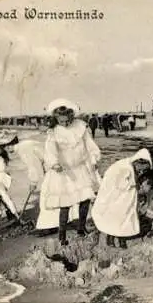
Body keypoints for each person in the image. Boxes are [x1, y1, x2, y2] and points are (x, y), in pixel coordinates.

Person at [40, 98, 102, 246]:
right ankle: (62, 236)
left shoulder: (81, 127)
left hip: (80, 168)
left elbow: (90, 145)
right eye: (62, 122)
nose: (66, 124)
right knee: (65, 204)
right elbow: (50, 151)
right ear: (56, 119)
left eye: (68, 121)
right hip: (64, 172)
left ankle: (81, 228)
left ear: (71, 117)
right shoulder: (53, 132)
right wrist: (54, 163)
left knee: (85, 198)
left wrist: (93, 159)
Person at [91, 149, 153, 249]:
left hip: (127, 198)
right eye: (141, 168)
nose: (141, 171)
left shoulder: (130, 165)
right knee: (115, 218)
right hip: (118, 197)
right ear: (138, 162)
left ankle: (122, 240)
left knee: (126, 219)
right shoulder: (125, 168)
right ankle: (110, 238)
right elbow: (121, 184)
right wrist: (134, 184)